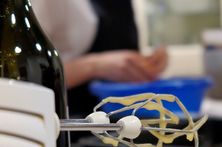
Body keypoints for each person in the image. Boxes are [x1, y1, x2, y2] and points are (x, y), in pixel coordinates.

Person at [31, 0, 168, 116]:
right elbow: (32, 77)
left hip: (127, 117)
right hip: (75, 122)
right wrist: (94, 66)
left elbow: (123, 50)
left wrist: (146, 62)